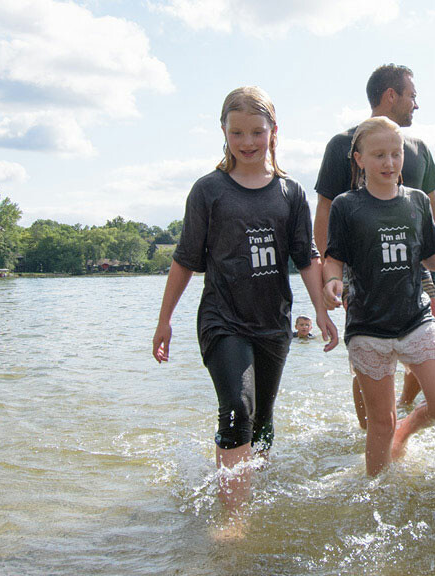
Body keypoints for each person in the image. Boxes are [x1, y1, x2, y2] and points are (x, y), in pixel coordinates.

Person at [152, 86, 339, 530]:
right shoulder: (208, 191)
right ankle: (233, 520)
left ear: (274, 132)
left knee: (263, 422)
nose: (248, 141)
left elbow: (306, 257)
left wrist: (324, 311)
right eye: (238, 133)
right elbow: (184, 260)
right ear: (223, 132)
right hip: (222, 320)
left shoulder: (290, 193)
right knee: (237, 406)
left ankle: (251, 487)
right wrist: (164, 321)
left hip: (272, 323)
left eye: (258, 131)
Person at [322, 117, 435, 476]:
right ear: (359, 159)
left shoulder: (417, 201)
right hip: (367, 326)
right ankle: (375, 492)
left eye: (396, 154)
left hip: (415, 318)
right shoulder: (346, 206)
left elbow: (429, 256)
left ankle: (406, 430)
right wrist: (332, 282)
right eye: (379, 155)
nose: (389, 163)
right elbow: (334, 259)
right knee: (380, 422)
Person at [313, 64, 435, 424]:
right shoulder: (342, 145)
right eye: (412, 96)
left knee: (428, 342)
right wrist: (331, 274)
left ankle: (405, 416)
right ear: (390, 95)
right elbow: (326, 210)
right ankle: (375, 427)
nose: (416, 105)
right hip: (362, 274)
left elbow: (434, 207)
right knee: (372, 355)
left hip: (419, 268)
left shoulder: (419, 148)